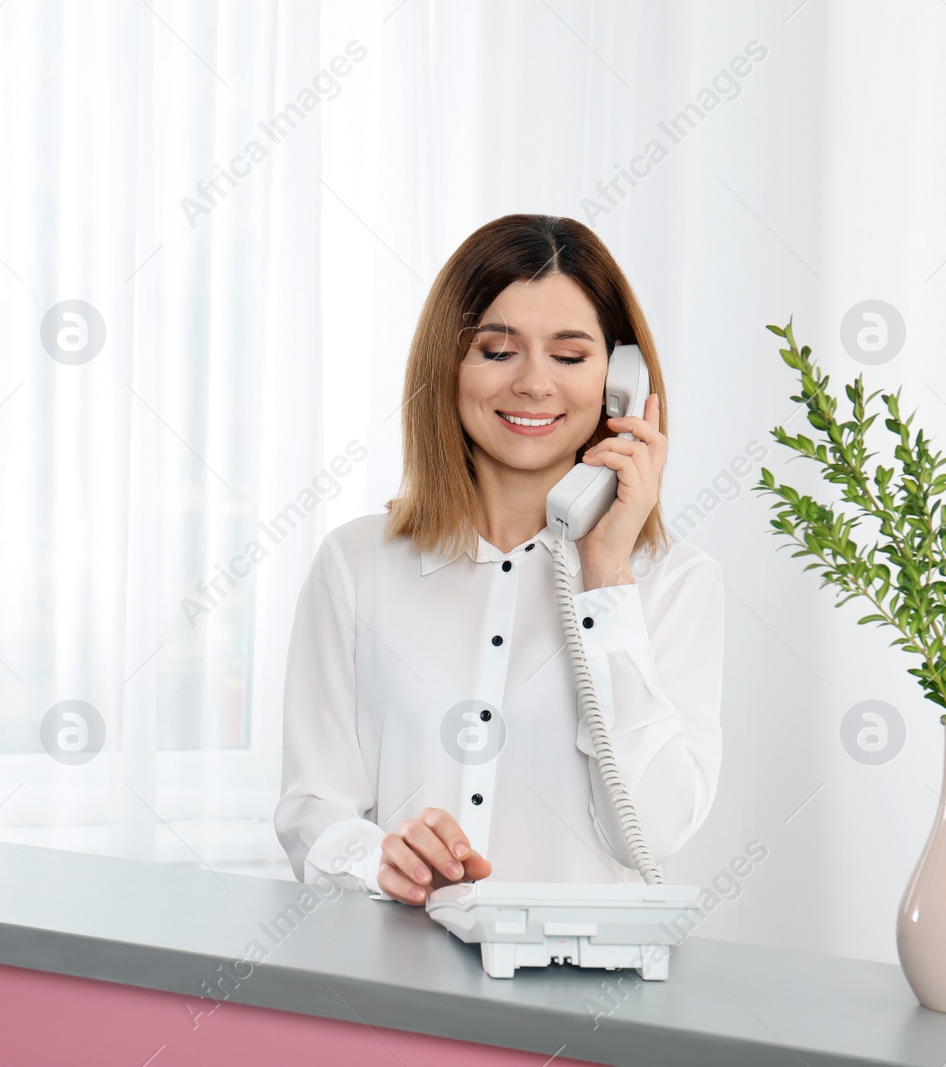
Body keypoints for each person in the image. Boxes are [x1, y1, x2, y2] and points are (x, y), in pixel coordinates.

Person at [273, 214, 724, 906]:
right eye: (496, 350)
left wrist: (607, 578)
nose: (534, 384)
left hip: (579, 1003)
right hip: (396, 986)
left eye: (570, 357)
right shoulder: (355, 564)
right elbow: (312, 809)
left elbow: (653, 831)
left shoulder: (673, 583)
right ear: (448, 365)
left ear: (621, 381)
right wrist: (379, 859)